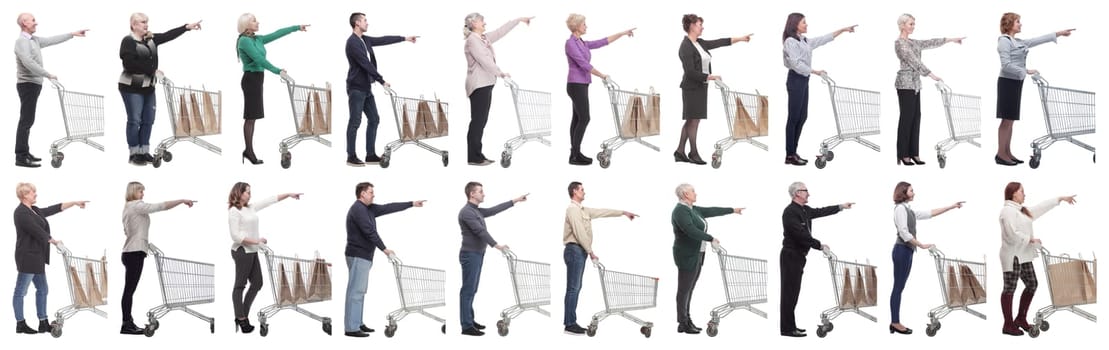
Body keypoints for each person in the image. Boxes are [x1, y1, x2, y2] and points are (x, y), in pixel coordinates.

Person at [119, 14, 201, 166]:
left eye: (147, 22)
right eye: (143, 22)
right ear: (134, 25)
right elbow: (129, 63)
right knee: (134, 120)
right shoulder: (128, 41)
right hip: (131, 87)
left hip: (148, 87)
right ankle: (134, 154)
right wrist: (153, 71)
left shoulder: (151, 40)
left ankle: (144, 152)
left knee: (148, 120)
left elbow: (168, 35)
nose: (146, 25)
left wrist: (186, 28)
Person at [344, 182, 424, 337]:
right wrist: (385, 249)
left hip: (364, 256)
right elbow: (369, 231)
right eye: (371, 192)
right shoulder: (358, 209)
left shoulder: (368, 208)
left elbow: (389, 207)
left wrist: (412, 204)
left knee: (360, 291)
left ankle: (358, 323)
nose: (373, 195)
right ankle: (351, 328)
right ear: (362, 194)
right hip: (358, 255)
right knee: (356, 292)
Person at [994, 13, 1074, 166]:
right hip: (1006, 83)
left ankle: (1007, 152)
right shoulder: (1004, 41)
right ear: (1009, 24)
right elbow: (1005, 65)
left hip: (1016, 82)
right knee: (1006, 120)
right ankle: (1000, 154)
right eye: (1018, 22)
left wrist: (1059, 33)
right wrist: (1026, 71)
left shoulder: (1017, 41)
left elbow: (1037, 40)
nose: (1020, 24)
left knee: (1011, 121)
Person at [998, 182, 1075, 335]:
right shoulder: (1007, 211)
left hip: (1024, 254)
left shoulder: (1021, 211)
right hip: (1012, 255)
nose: (1024, 194)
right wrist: (1030, 240)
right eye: (1022, 191)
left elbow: (1040, 208)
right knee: (1009, 289)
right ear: (1014, 194)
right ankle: (1008, 325)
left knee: (1032, 284)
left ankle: (1020, 318)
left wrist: (1059, 199)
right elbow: (1010, 233)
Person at [887, 182, 962, 335]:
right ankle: (895, 322)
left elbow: (929, 213)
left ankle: (895, 322)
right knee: (898, 288)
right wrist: (920, 245)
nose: (914, 193)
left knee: (899, 287)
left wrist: (951, 206)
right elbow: (904, 233)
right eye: (911, 190)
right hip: (901, 250)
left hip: (907, 251)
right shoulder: (900, 209)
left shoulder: (908, 210)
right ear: (903, 192)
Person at [779, 181, 853, 337]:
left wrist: (840, 207)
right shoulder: (790, 212)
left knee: (793, 293)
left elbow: (821, 211)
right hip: (790, 255)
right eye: (805, 190)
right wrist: (819, 245)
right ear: (797, 193)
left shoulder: (804, 209)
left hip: (799, 256)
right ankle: (787, 329)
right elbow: (800, 235)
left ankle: (791, 326)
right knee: (789, 294)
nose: (808, 193)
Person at [119, 182, 194, 334]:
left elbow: (130, 231)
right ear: (133, 192)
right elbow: (160, 206)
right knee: (129, 291)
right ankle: (126, 324)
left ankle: (127, 322)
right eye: (141, 191)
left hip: (130, 252)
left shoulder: (127, 207)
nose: (143, 194)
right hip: (134, 253)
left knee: (129, 290)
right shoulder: (136, 205)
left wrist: (146, 244)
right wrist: (181, 200)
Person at [562, 181, 636, 335]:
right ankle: (569, 324)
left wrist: (622, 212)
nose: (584, 192)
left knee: (575, 288)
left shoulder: (583, 210)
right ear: (574, 191)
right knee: (573, 289)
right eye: (582, 189)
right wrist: (590, 252)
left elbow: (602, 212)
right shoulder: (572, 209)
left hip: (579, 251)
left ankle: (570, 322)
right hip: (575, 250)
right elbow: (579, 232)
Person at [675, 14, 751, 165]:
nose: (702, 27)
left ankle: (679, 152)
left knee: (691, 120)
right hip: (691, 88)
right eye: (699, 24)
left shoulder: (699, 43)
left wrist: (740, 39)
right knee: (693, 121)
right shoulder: (685, 46)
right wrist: (709, 76)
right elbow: (689, 72)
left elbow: (719, 42)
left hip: (701, 87)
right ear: (691, 26)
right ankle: (693, 153)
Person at [13, 13, 87, 168]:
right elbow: (28, 62)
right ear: (24, 23)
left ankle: (24, 152)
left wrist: (71, 34)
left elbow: (51, 40)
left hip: (33, 84)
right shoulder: (21, 41)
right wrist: (47, 74)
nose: (36, 23)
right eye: (33, 20)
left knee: (28, 120)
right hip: (27, 84)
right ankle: (20, 156)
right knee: (26, 120)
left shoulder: (34, 40)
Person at [12, 183, 87, 334]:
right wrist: (55, 241)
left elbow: (52, 209)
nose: (36, 194)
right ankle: (20, 324)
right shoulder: (21, 213)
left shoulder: (33, 210)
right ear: (25, 195)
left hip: (37, 257)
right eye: (33, 192)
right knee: (21, 291)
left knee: (42, 289)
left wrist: (73, 203)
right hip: (27, 257)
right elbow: (36, 231)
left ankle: (43, 322)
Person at [781, 13, 856, 166]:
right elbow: (795, 64)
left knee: (802, 117)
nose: (806, 25)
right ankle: (790, 154)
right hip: (796, 80)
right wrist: (814, 71)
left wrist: (842, 30)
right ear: (795, 24)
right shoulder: (790, 41)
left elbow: (822, 39)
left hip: (803, 80)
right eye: (804, 22)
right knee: (794, 118)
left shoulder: (804, 40)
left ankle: (793, 152)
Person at [226, 182, 301, 333]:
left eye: (250, 192)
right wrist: (257, 241)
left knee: (257, 283)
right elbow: (236, 236)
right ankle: (241, 318)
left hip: (252, 250)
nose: (249, 194)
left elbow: (270, 200)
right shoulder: (234, 211)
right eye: (247, 192)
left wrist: (288, 194)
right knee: (240, 285)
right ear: (238, 193)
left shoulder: (250, 208)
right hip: (242, 251)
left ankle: (242, 315)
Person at [344, 12, 418, 167]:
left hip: (366, 88)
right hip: (356, 88)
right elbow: (365, 63)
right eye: (365, 20)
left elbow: (383, 39)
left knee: (374, 119)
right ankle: (351, 156)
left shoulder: (364, 40)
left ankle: (370, 155)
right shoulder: (352, 43)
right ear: (357, 23)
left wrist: (404, 38)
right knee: (355, 122)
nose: (367, 23)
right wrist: (381, 80)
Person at [236, 13, 308, 165]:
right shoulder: (243, 41)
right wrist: (278, 71)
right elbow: (259, 59)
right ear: (246, 24)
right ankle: (249, 151)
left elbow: (277, 33)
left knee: (252, 117)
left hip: (257, 79)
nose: (258, 22)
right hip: (251, 80)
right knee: (250, 117)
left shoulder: (257, 39)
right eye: (254, 21)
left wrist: (296, 28)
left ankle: (248, 150)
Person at [670, 183, 743, 334]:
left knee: (690, 289)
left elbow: (711, 210)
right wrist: (711, 238)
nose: (696, 194)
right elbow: (690, 230)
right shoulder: (680, 211)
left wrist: (732, 210)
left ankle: (686, 320)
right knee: (684, 290)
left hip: (698, 253)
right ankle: (683, 322)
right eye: (693, 192)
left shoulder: (692, 209)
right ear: (685, 195)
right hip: (687, 255)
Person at [564, 14, 635, 166]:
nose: (586, 26)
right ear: (576, 26)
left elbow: (602, 42)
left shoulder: (581, 42)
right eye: (584, 24)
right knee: (584, 118)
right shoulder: (570, 43)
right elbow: (584, 65)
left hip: (581, 84)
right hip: (575, 84)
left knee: (577, 119)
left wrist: (622, 34)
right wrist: (603, 75)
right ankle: (575, 155)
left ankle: (574, 154)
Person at [462, 13, 533, 166]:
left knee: (481, 121)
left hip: (486, 83)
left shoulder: (483, 38)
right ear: (474, 23)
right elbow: (484, 60)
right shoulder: (472, 41)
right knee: (478, 121)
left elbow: (501, 31)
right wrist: (500, 73)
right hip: (478, 84)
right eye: (482, 20)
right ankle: (473, 157)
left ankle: (477, 155)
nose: (484, 22)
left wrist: (518, 19)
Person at [892, 14, 963, 166]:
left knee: (916, 118)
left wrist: (950, 40)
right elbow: (914, 61)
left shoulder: (913, 42)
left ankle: (914, 153)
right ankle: (903, 154)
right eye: (911, 24)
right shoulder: (900, 43)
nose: (913, 26)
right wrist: (932, 75)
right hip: (905, 85)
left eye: (913, 24)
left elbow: (930, 42)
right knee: (906, 119)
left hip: (916, 85)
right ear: (903, 25)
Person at [457, 182, 527, 335]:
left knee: (472, 289)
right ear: (472, 194)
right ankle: (466, 326)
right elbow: (480, 231)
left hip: (477, 254)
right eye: (481, 191)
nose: (484, 194)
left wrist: (515, 200)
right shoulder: (467, 212)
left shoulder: (475, 210)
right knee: (468, 290)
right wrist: (497, 245)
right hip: (470, 254)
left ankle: (469, 319)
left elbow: (494, 210)